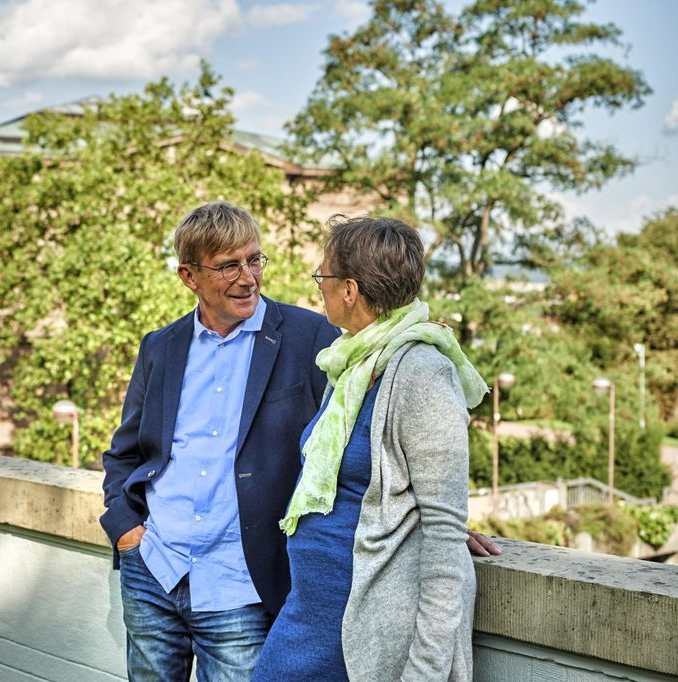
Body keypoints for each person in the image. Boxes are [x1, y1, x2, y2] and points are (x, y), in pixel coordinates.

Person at [101, 203, 498, 681]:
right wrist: (126, 531)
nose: (248, 277)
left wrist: (439, 520)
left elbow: (396, 452)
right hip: (156, 569)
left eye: (254, 260)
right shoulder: (161, 347)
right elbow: (126, 451)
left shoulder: (317, 340)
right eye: (229, 266)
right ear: (189, 276)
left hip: (241, 585)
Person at [252, 215, 486, 681]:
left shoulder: (422, 372)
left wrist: (425, 672)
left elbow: (443, 539)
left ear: (349, 290)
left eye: (322, 276)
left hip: (364, 633)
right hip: (309, 617)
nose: (319, 286)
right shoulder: (352, 365)